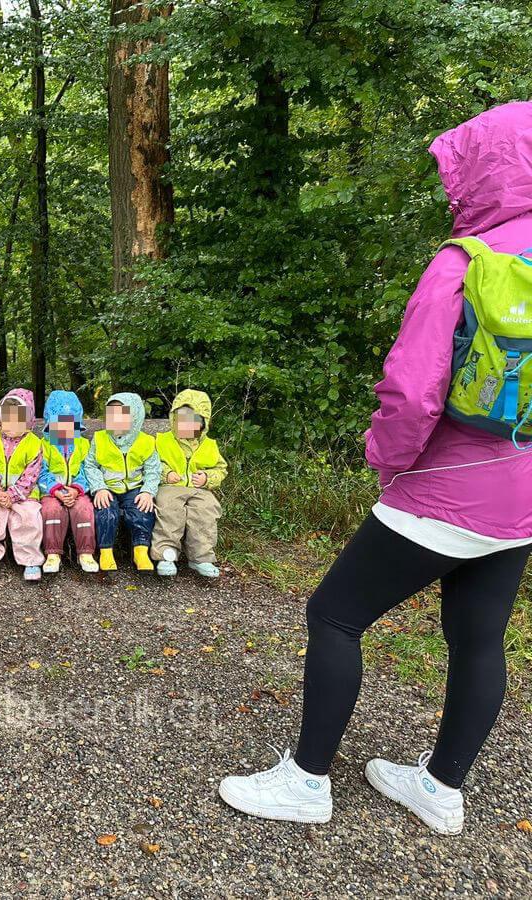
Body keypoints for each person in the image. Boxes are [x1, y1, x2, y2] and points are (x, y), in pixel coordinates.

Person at [218, 102, 532, 835]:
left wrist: (384, 462)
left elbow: (412, 389)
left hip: (445, 486)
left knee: (334, 613)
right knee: (480, 635)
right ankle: (440, 789)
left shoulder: (466, 263)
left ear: (487, 170)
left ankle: (305, 782)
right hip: (524, 497)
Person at [150, 390, 227, 578]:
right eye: (181, 420)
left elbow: (221, 469)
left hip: (198, 488)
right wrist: (166, 474)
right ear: (173, 419)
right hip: (170, 487)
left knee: (206, 510)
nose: (185, 425)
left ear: (203, 423)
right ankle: (166, 555)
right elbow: (152, 462)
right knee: (168, 510)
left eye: (192, 421)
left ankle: (201, 558)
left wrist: (207, 478)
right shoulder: (162, 440)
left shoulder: (210, 445)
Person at [84, 392, 160, 573]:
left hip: (135, 488)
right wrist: (99, 488)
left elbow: (153, 470)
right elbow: (90, 465)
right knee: (105, 511)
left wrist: (148, 491)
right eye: (111, 415)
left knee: (143, 510)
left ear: (134, 418)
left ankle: (141, 550)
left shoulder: (146, 442)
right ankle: (106, 551)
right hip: (107, 487)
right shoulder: (100, 438)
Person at [0, 388, 46, 582]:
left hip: (25, 495)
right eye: (7, 419)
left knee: (29, 517)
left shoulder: (34, 443)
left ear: (28, 421)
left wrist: (13, 495)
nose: (12, 424)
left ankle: (30, 560)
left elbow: (31, 474)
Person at [38, 390, 99, 574]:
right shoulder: (44, 445)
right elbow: (40, 472)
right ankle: (53, 553)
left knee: (84, 509)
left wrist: (76, 489)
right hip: (51, 492)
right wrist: (56, 490)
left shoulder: (82, 445)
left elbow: (86, 470)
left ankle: (86, 553)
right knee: (51, 510)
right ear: (50, 422)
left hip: (76, 492)